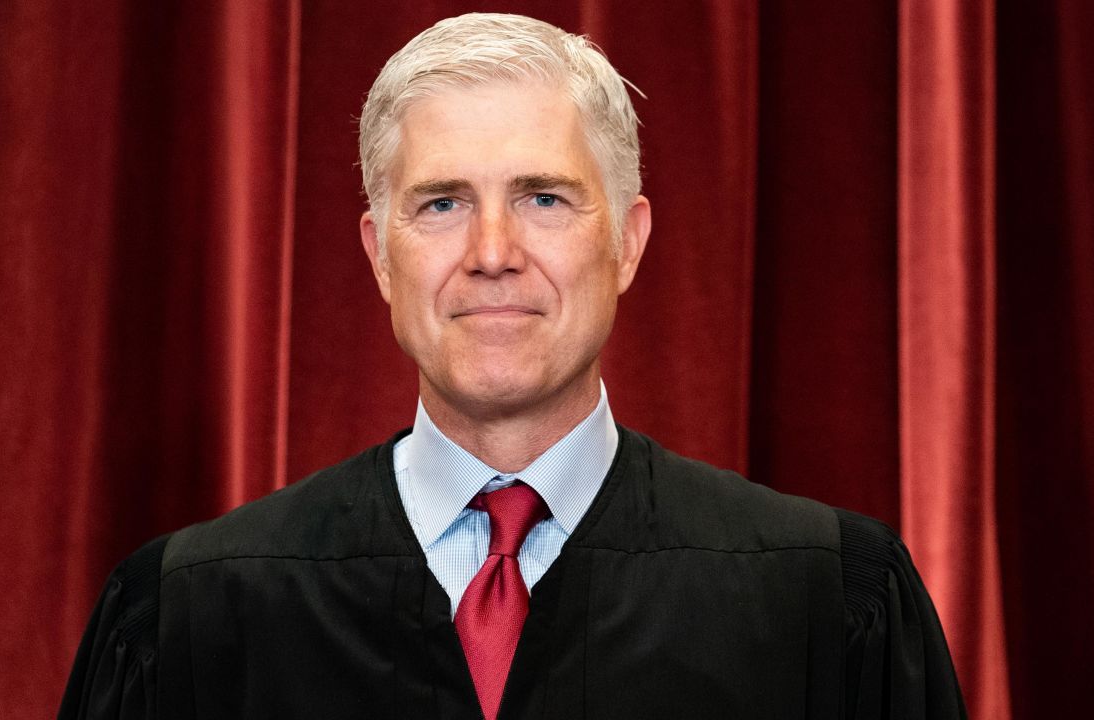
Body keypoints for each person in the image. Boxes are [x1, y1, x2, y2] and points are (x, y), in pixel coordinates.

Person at [60, 13, 965, 720]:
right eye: (443, 202)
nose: (493, 251)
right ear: (380, 255)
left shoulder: (826, 605)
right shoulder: (188, 619)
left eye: (544, 197)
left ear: (627, 243)